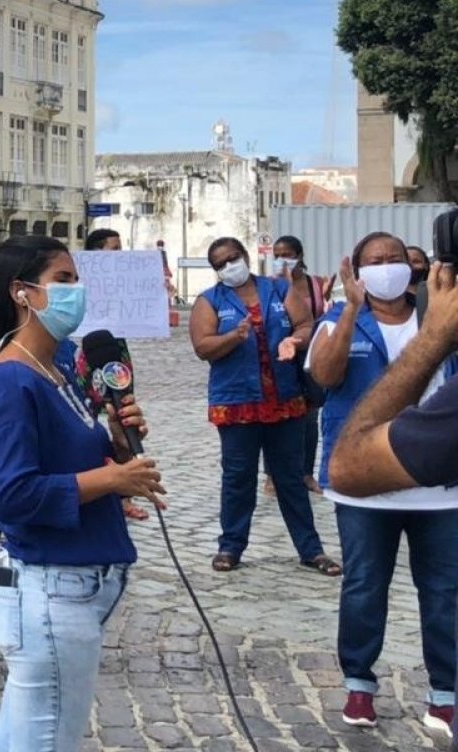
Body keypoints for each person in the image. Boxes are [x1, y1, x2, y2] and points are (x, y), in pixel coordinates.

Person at [0, 235, 164, 750]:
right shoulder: (14, 380)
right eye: (63, 280)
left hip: (73, 583)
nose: (75, 291)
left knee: (18, 739)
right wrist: (113, 481)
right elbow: (12, 494)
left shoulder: (57, 370)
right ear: (22, 292)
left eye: (76, 279)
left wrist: (121, 444)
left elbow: (76, 456)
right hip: (52, 590)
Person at [306, 232, 458, 732]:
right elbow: (324, 379)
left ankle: (444, 694)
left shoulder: (439, 318)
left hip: (438, 487)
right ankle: (358, 686)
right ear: (357, 269)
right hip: (363, 486)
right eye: (376, 261)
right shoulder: (337, 321)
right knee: (365, 586)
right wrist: (348, 311)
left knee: (443, 591)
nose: (387, 267)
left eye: (396, 258)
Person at [189, 238, 338, 575]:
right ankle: (230, 546)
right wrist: (232, 338)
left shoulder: (278, 288)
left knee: (290, 477)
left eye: (233, 258)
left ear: (245, 256)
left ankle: (310, 549)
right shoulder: (209, 301)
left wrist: (294, 340)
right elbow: (202, 346)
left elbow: (305, 324)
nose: (229, 266)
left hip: (284, 400)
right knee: (238, 478)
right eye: (220, 263)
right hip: (237, 402)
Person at [271, 235, 330, 494]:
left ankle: (306, 473)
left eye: (287, 254)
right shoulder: (270, 286)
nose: (282, 259)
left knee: (310, 417)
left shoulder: (315, 283)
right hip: (281, 356)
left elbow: (320, 317)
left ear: (299, 256)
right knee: (276, 414)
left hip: (309, 355)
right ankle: (272, 474)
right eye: (277, 254)